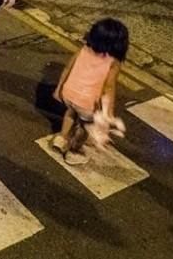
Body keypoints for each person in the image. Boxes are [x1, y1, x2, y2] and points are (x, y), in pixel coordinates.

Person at [52, 18, 130, 165]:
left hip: (69, 93)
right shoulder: (113, 62)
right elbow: (109, 88)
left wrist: (59, 89)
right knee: (84, 126)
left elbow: (68, 68)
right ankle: (74, 151)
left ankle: (61, 138)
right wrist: (108, 112)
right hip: (87, 103)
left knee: (70, 113)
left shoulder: (84, 49)